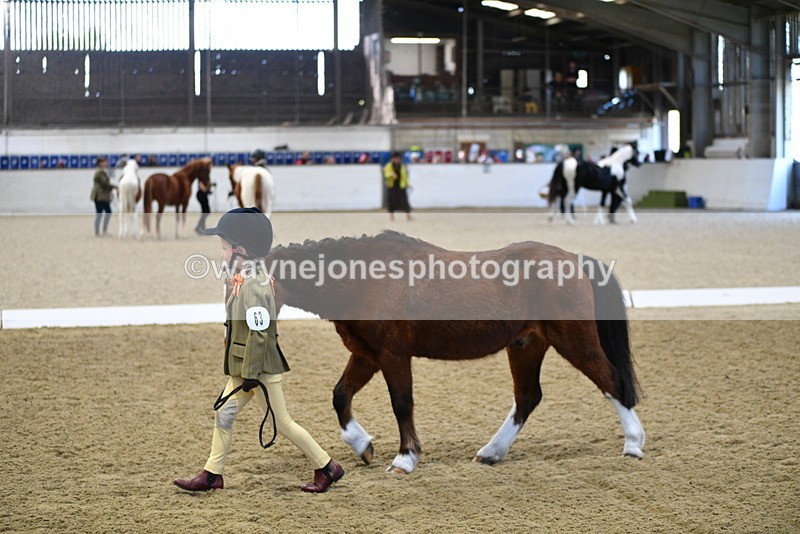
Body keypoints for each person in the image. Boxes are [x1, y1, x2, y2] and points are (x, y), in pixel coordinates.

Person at [174, 207, 345, 493]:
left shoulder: (254, 285)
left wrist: (252, 372)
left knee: (282, 422)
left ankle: (327, 466)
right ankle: (212, 474)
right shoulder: (243, 278)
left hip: (258, 367)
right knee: (225, 413)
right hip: (245, 365)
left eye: (224, 248)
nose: (222, 254)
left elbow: (261, 331)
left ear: (240, 250)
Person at [89, 156, 116, 236]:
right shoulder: (100, 173)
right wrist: (116, 187)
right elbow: (105, 184)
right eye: (104, 162)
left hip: (101, 195)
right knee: (103, 212)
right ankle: (100, 231)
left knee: (103, 213)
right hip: (100, 196)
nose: (106, 163)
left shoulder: (102, 172)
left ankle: (101, 231)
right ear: (100, 163)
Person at [382, 151, 412, 221]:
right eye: (394, 158)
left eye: (397, 158)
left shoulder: (402, 166)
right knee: (391, 201)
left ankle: (408, 216)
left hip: (401, 185)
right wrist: (391, 175)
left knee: (404, 201)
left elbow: (405, 176)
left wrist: (407, 184)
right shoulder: (389, 166)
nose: (396, 160)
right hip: (391, 185)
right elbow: (386, 175)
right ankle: (392, 217)